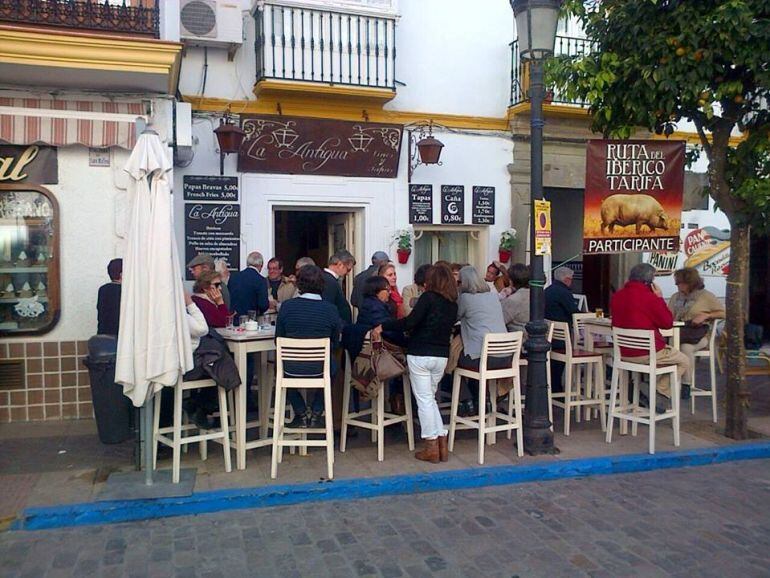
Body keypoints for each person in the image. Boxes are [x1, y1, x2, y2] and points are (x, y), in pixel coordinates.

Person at [374, 264, 458, 464]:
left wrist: (384, 326)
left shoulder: (428, 298)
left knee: (424, 401)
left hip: (420, 353)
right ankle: (441, 444)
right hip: (441, 355)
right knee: (431, 399)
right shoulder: (452, 303)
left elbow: (410, 322)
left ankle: (431, 445)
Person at [611, 263, 690, 409]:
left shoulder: (617, 296)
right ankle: (658, 390)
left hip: (623, 353)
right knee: (684, 360)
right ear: (650, 282)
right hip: (647, 353)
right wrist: (659, 298)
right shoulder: (650, 298)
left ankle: (649, 389)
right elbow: (667, 323)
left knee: (668, 357)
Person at [276, 265, 342, 428]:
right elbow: (335, 342)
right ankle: (317, 410)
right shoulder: (331, 310)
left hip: (291, 367)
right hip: (320, 367)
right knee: (334, 367)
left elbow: (278, 339)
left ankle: (300, 411)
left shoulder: (287, 307)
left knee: (279, 369)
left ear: (298, 285)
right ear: (322, 285)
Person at [456, 266, 510, 413]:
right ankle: (482, 399)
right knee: (475, 355)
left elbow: (454, 317)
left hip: (485, 358)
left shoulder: (465, 298)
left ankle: (466, 399)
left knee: (452, 359)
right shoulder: (493, 296)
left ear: (463, 283)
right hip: (506, 357)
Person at [668, 267, 725, 398]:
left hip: (698, 334)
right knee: (673, 346)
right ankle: (666, 382)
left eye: (679, 283)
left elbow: (723, 313)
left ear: (690, 283)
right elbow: (668, 315)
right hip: (679, 332)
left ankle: (686, 384)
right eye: (676, 283)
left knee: (685, 348)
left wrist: (707, 315)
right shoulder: (675, 297)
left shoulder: (705, 296)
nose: (677, 286)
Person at [545, 266, 580, 393]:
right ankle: (559, 389)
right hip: (562, 341)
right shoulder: (564, 292)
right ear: (566, 280)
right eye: (571, 279)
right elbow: (575, 313)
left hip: (550, 336)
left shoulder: (548, 290)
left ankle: (555, 387)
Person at [228, 251, 269, 318]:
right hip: (251, 322)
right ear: (261, 265)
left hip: (234, 319)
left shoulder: (234, 277)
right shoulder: (261, 280)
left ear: (247, 263)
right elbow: (263, 305)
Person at [322, 250, 354, 325]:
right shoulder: (329, 281)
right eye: (348, 269)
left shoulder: (328, 279)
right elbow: (328, 306)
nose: (348, 274)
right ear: (340, 265)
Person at [501, 263, 531, 335]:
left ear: (511, 281)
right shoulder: (535, 295)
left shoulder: (513, 300)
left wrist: (502, 297)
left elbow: (499, 320)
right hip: (530, 335)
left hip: (516, 340)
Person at [97, 258, 122, 335]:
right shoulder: (126, 292)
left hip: (103, 337)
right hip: (119, 338)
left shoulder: (103, 290)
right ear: (122, 274)